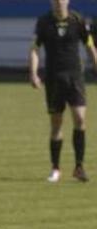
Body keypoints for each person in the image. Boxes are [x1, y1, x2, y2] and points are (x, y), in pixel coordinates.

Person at [30, 0, 97, 183]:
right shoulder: (44, 22)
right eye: (55, 0)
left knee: (80, 119)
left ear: (67, 1)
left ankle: (79, 167)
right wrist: (34, 74)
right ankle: (55, 169)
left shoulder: (78, 20)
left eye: (62, 0)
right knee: (56, 124)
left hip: (75, 78)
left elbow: (89, 46)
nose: (59, 3)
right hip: (53, 79)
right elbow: (35, 50)